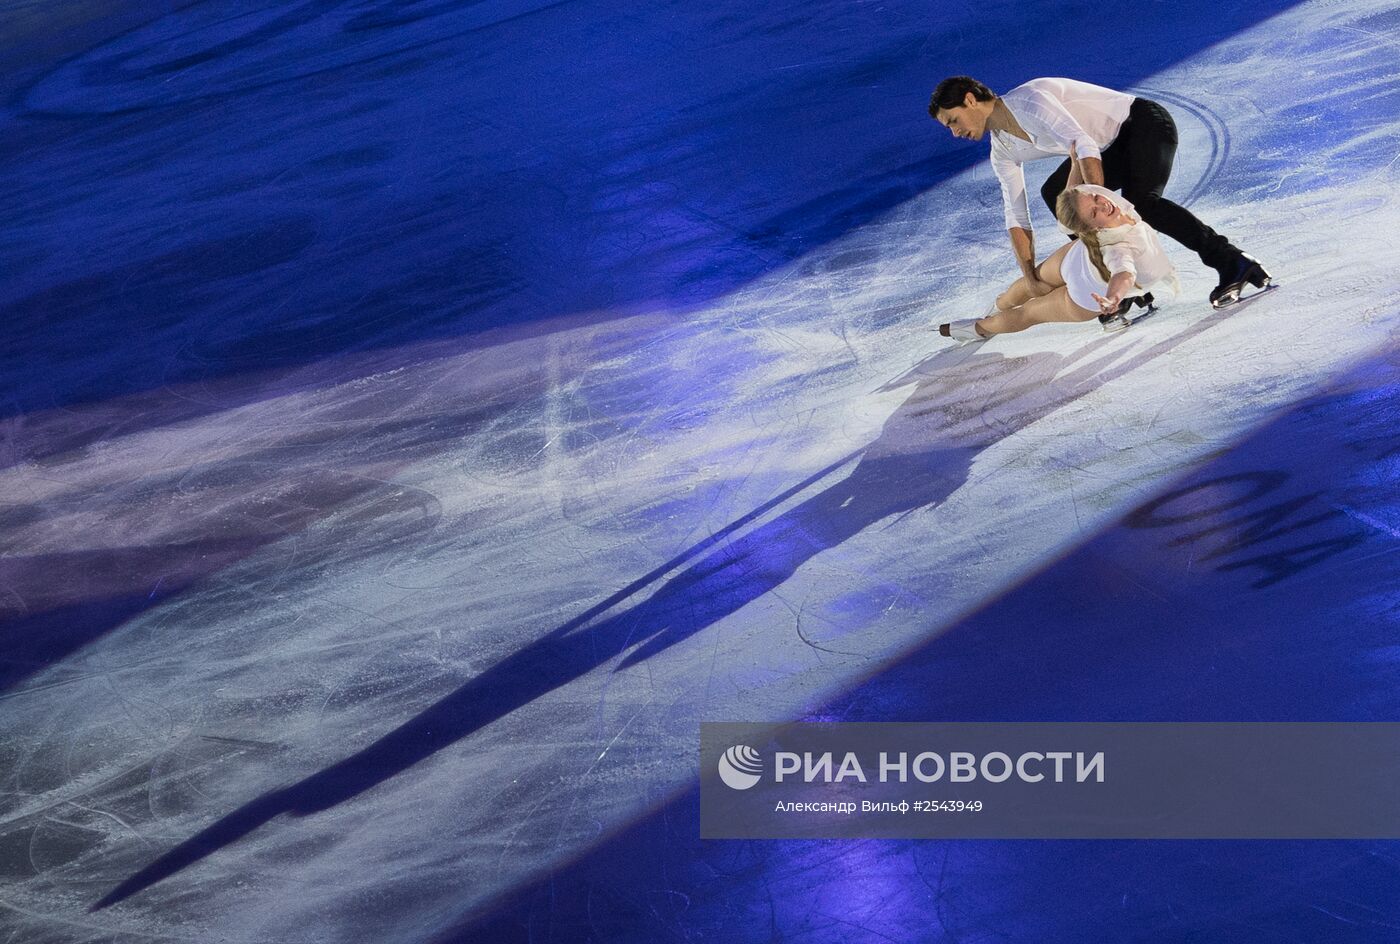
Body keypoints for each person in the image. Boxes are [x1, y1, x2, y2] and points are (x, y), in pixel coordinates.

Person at [929, 75, 1269, 309]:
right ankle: (1121, 285)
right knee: (1055, 195)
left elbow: (1083, 143)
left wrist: (1098, 204)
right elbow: (1016, 216)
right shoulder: (1002, 150)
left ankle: (1234, 262)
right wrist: (1029, 277)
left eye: (953, 121)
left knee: (1142, 205)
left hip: (1143, 124)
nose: (955, 132)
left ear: (970, 99)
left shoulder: (1030, 100)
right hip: (1109, 149)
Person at [939, 146, 1180, 342]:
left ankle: (990, 314)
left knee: (1028, 294)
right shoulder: (1119, 245)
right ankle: (980, 327)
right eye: (1094, 210)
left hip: (1076, 263)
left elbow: (1073, 200)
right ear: (1091, 228)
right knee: (1028, 314)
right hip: (1085, 294)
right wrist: (1113, 298)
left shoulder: (1097, 210)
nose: (1103, 204)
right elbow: (1124, 274)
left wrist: (1075, 165)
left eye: (1096, 198)